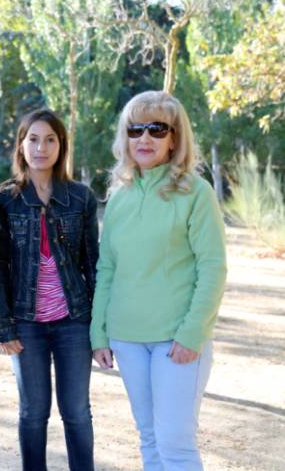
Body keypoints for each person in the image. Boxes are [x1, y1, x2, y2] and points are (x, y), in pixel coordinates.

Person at [90, 90, 227, 470]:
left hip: (176, 340)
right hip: (127, 339)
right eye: (135, 130)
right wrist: (99, 333)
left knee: (175, 445)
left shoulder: (196, 193)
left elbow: (213, 267)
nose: (145, 138)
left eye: (157, 129)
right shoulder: (119, 198)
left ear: (174, 137)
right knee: (149, 439)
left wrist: (193, 333)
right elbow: (107, 269)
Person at [0, 109, 98, 470]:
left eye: (50, 140)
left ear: (61, 146)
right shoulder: (4, 199)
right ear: (21, 145)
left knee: (77, 411)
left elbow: (93, 264)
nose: (41, 148)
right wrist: (3, 323)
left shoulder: (81, 198)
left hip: (74, 321)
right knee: (33, 412)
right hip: (26, 323)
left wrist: (100, 325)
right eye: (33, 139)